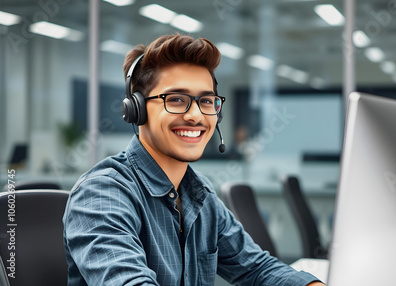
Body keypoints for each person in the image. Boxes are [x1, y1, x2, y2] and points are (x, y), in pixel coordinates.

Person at [63, 34, 325, 286]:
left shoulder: (200, 195)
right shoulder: (102, 193)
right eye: (176, 99)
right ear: (136, 109)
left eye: (207, 101)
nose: (196, 116)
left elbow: (257, 269)